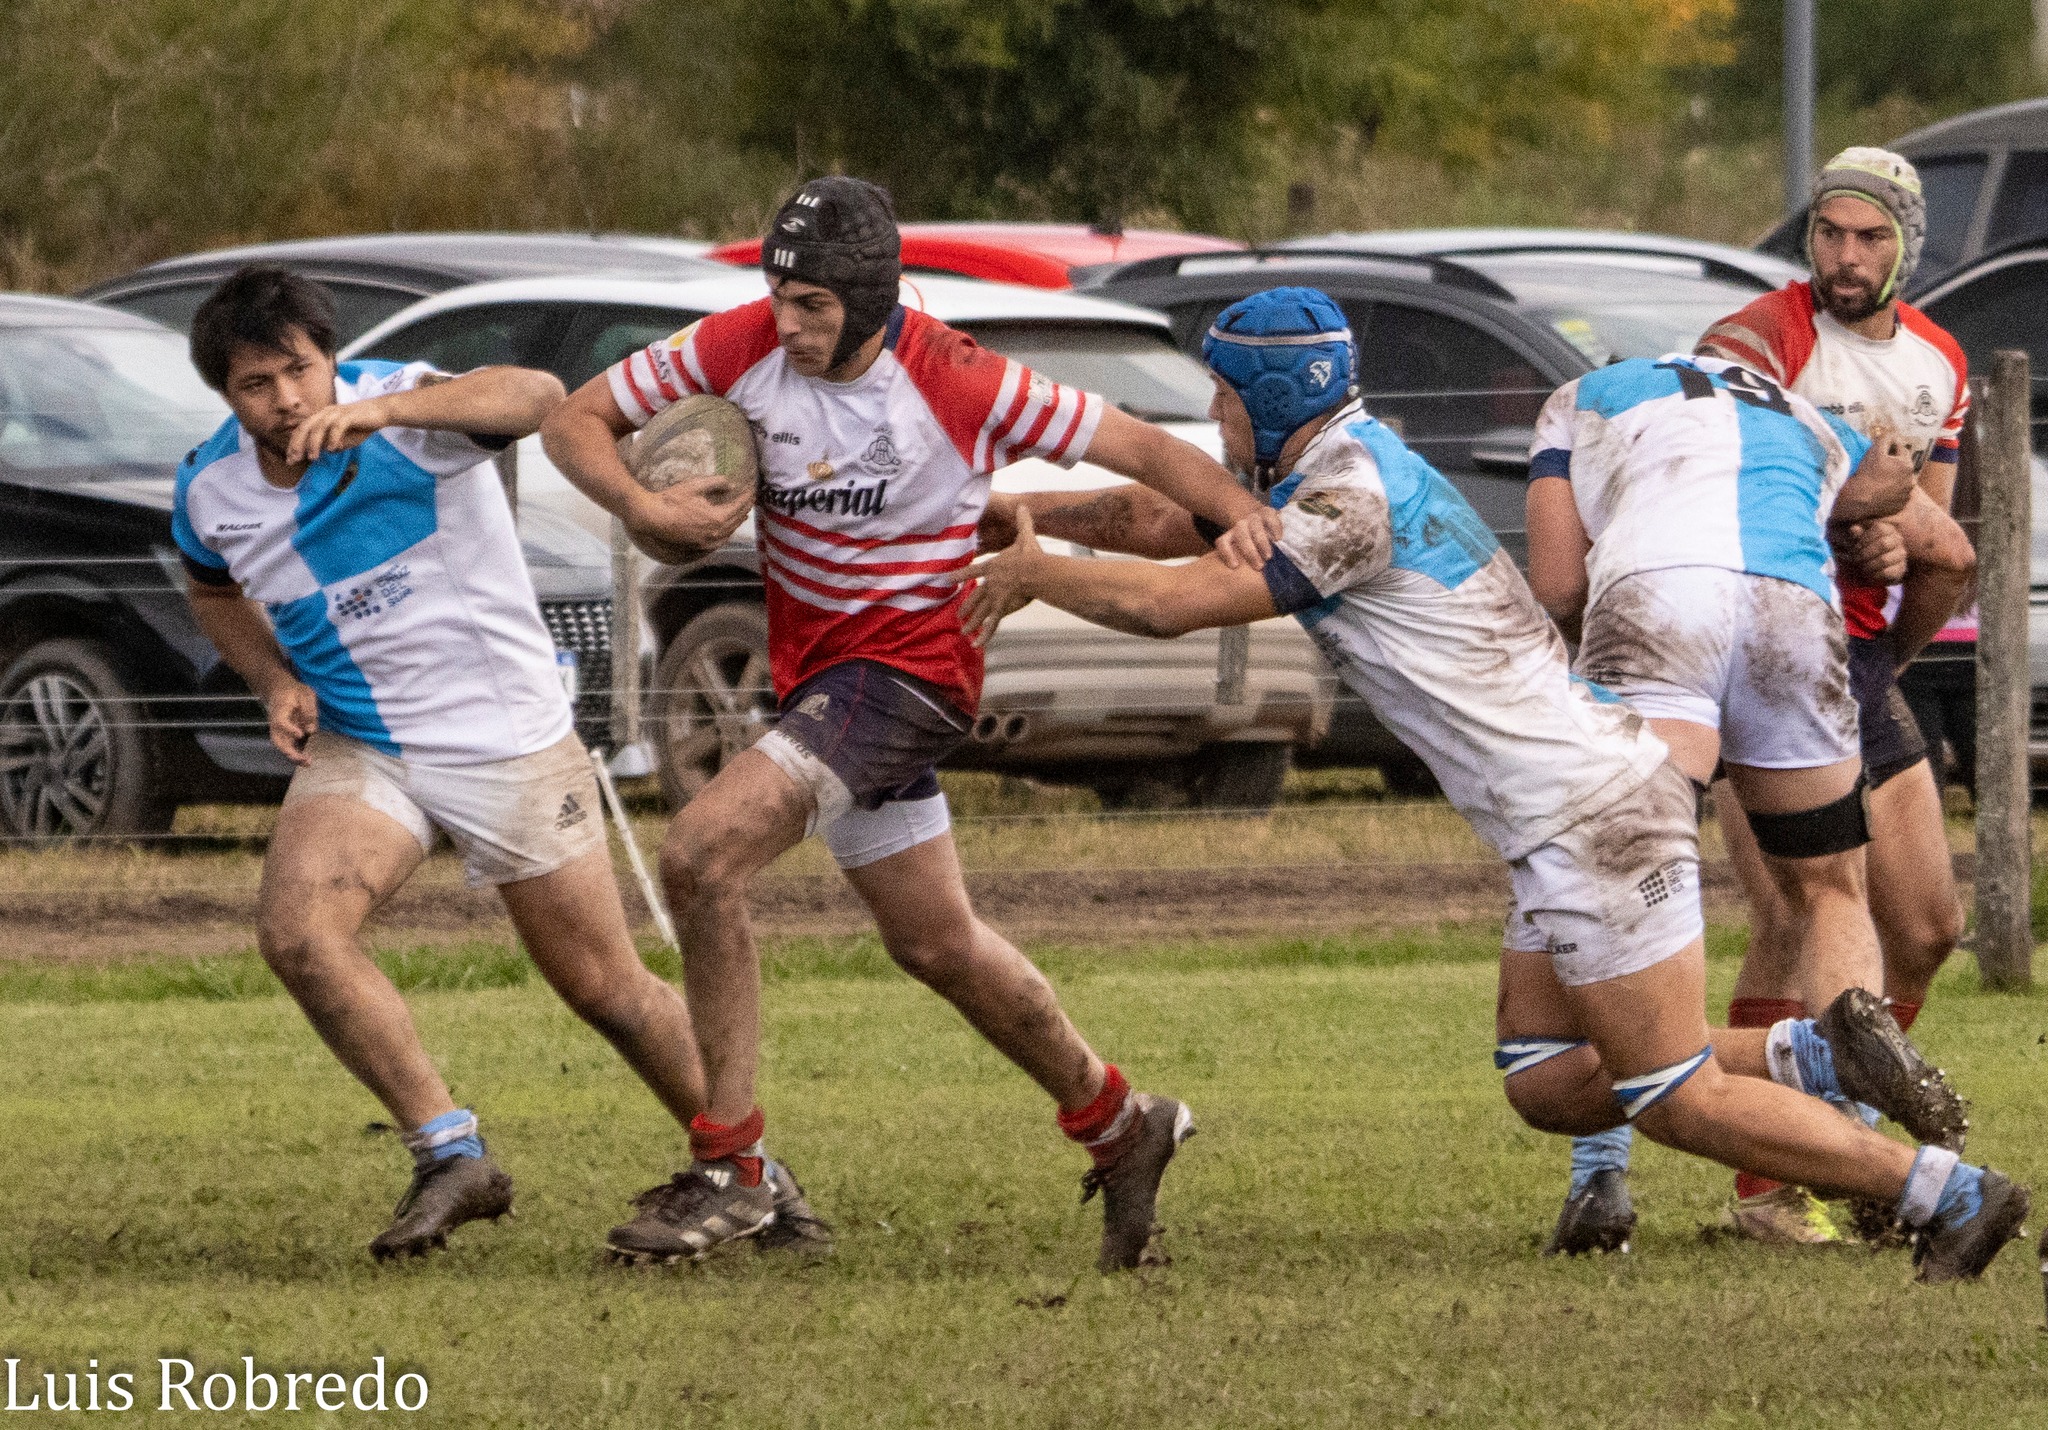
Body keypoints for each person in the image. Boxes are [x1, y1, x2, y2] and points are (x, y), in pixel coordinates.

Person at [953, 286, 2028, 1285]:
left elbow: (1175, 602)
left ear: (1262, 399)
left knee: (1671, 1094)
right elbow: (1167, 522)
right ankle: (1815, 1044)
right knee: (1544, 1077)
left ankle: (1946, 1193)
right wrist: (1034, 513)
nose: (1213, 415)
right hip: (1574, 796)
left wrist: (1033, 575)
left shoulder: (1346, 506)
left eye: (1221, 397)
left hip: (1588, 807)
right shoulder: (1342, 466)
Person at [539, 177, 1277, 1271]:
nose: (788, 324)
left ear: (873, 304)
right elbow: (573, 418)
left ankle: (732, 1166)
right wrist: (642, 507)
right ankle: (1120, 1120)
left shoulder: (957, 376)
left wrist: (1252, 518)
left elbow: (1142, 449)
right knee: (936, 942)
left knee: (697, 853)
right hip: (820, 680)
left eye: (814, 308)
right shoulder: (739, 342)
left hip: (910, 672)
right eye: (779, 297)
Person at [172, 265, 825, 1262]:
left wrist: (378, 411)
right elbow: (211, 586)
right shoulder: (209, 485)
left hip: (507, 740)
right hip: (369, 746)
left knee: (605, 988)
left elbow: (532, 396)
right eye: (255, 384)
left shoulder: (410, 406)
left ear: (328, 357)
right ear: (226, 395)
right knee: (300, 931)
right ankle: (450, 1152)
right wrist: (270, 677)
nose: (286, 399)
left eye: (299, 370)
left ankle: (754, 1175)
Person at [1556, 147, 1981, 1247]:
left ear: (1905, 246)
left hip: (1847, 655)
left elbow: (1927, 529)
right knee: (1797, 910)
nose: (1843, 258)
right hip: (1748, 637)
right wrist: (1852, 519)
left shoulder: (1939, 362)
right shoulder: (1760, 333)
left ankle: (1852, 1120)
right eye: (1829, 234)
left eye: (1869, 238)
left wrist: (1890, 603)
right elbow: (1722, 434)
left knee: (1928, 926)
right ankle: (1773, 1181)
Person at [1522, 350, 1943, 1253]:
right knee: (1831, 889)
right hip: (1791, 607)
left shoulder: (1576, 401)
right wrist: (1868, 526)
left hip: (1657, 603)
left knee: (1613, 882)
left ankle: (1599, 1176)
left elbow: (1558, 584)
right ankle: (1852, 1128)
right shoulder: (1800, 409)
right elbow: (1906, 506)